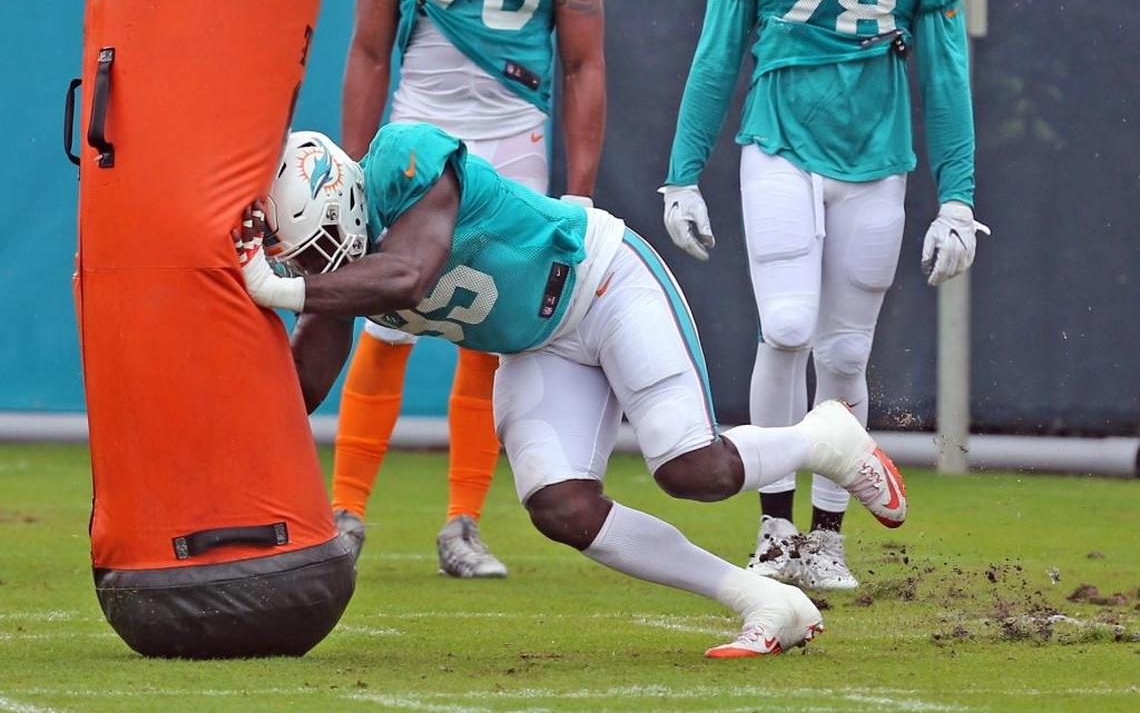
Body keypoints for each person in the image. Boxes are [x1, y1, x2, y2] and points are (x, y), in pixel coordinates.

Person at [233, 124, 908, 658]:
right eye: (303, 261)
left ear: (342, 195)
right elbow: (302, 389)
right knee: (562, 508)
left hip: (602, 283)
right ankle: (764, 600)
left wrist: (278, 288)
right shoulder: (335, 272)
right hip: (536, 347)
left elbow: (409, 272)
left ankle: (822, 439)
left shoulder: (401, 158)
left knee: (692, 470)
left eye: (319, 247)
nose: (318, 269)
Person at [660, 0, 987, 592]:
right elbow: (717, 53)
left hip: (876, 160)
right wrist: (681, 175)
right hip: (780, 143)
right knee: (787, 327)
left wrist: (958, 197)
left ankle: (827, 538)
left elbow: (945, 76)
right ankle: (775, 527)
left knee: (845, 353)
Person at [334, 0, 608, 577]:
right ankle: (344, 512)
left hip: (513, 137)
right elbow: (369, 50)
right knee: (385, 324)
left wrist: (580, 193)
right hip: (418, 136)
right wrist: (354, 170)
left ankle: (463, 523)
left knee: (488, 334)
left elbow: (585, 65)